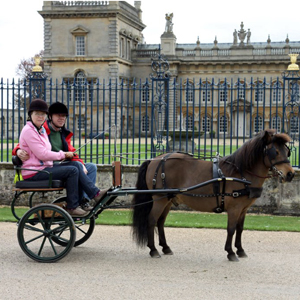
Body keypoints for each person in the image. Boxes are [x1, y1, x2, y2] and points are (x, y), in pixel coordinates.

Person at [17, 99, 106, 217]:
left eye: (42, 114)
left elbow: (71, 152)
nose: (40, 116)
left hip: (46, 167)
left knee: (78, 165)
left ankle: (90, 197)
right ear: (30, 115)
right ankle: (73, 206)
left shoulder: (41, 130)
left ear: (46, 115)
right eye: (37, 113)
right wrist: (17, 151)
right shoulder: (31, 130)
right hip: (34, 171)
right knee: (73, 170)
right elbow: (42, 153)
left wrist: (78, 162)